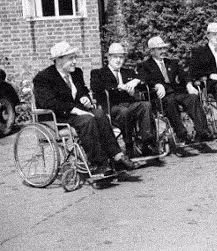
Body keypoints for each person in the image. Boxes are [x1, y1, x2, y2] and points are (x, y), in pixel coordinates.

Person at [33, 41, 140, 174]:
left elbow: (82, 91)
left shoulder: (76, 73)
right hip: (58, 118)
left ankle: (117, 156)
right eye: (71, 58)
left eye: (75, 57)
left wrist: (85, 99)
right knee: (88, 120)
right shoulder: (43, 78)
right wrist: (76, 110)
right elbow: (48, 102)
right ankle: (98, 163)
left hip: (79, 113)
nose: (74, 61)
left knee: (100, 114)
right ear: (58, 60)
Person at [137, 36, 215, 147]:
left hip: (177, 93)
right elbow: (144, 80)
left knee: (192, 97)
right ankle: (181, 133)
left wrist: (189, 85)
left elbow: (185, 75)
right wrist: (157, 85)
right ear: (152, 51)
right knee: (170, 101)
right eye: (160, 49)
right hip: (160, 96)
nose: (163, 51)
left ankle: (203, 131)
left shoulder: (172, 63)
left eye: (164, 48)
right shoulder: (145, 66)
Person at [90, 43, 159, 157]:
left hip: (129, 104)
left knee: (146, 105)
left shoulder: (128, 72)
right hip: (111, 107)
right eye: (115, 57)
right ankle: (129, 145)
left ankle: (147, 142)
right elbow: (96, 87)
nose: (118, 60)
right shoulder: (99, 73)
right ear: (109, 58)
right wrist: (117, 87)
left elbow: (146, 77)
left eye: (121, 57)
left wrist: (136, 81)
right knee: (124, 112)